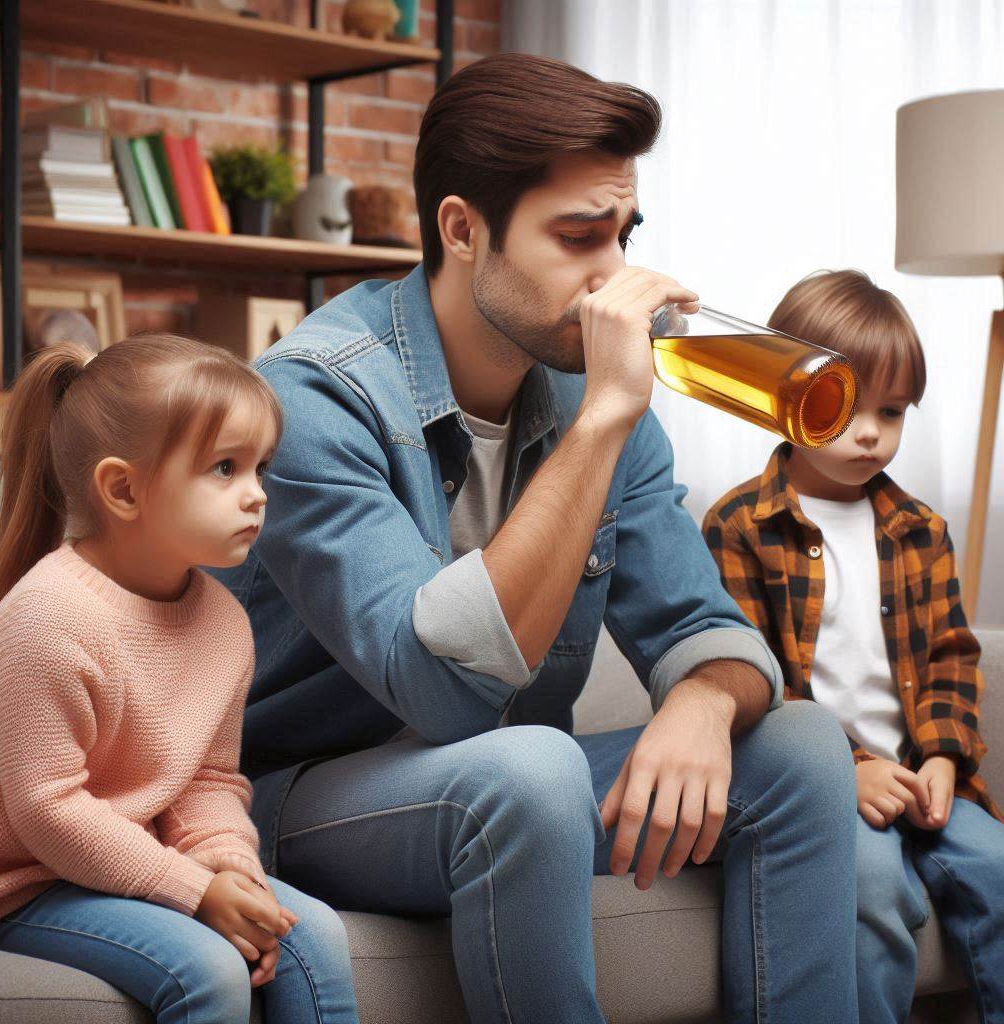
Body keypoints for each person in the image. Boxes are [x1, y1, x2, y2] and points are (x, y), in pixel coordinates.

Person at [213, 54, 859, 1023]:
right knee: (533, 764)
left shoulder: (598, 392)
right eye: (577, 238)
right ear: (463, 230)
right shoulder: (314, 399)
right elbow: (440, 693)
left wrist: (701, 703)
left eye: (624, 235)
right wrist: (602, 419)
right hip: (294, 800)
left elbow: (705, 627)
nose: (615, 280)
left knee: (801, 745)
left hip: (517, 788)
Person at [0, 335, 359, 1024]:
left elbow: (206, 783)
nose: (257, 496)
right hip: (19, 882)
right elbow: (48, 811)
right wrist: (192, 890)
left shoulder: (223, 622)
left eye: (260, 468)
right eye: (224, 468)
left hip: (128, 862)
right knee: (211, 970)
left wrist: (230, 868)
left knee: (315, 937)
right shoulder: (45, 619)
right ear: (123, 488)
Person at [702, 269, 1004, 1023]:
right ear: (783, 398)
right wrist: (853, 770)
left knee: (996, 866)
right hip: (820, 788)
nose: (871, 432)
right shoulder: (739, 526)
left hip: (922, 776)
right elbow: (751, 682)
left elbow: (951, 658)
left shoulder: (920, 530)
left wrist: (940, 756)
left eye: (893, 411)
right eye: (844, 408)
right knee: (868, 887)